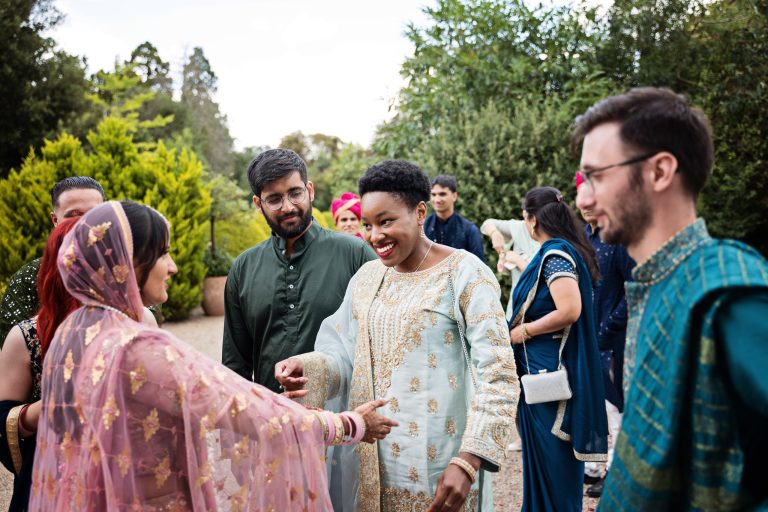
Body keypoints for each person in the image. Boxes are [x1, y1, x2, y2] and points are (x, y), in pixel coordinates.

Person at [28, 200, 397, 511]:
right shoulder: (137, 348)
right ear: (129, 263)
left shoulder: (73, 333)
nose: (173, 266)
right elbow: (242, 411)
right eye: (163, 253)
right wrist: (349, 425)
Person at [275, 160, 518, 512]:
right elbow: (346, 357)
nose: (375, 236)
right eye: (368, 225)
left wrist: (469, 459)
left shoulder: (464, 274)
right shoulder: (367, 278)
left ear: (419, 213)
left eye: (386, 221)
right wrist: (306, 367)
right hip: (372, 464)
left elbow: (498, 373)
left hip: (443, 467)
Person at [574, 87, 768, 510]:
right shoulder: (655, 283)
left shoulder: (728, 291)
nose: (582, 198)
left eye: (596, 176)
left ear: (660, 171)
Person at [223, 149, 376, 394]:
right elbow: (235, 367)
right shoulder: (243, 269)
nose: (288, 207)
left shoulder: (355, 254)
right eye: (274, 199)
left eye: (295, 193)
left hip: (343, 414)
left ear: (310, 190)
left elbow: (382, 345)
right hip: (273, 414)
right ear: (258, 204)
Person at [508, 186, 608, 511]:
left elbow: (569, 310)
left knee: (554, 464)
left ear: (532, 219)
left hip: (549, 377)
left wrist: (524, 331)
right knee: (545, 463)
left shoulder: (555, 256)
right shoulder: (558, 251)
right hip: (540, 370)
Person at [0, 218, 80, 511]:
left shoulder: (139, 323)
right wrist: (48, 407)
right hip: (49, 484)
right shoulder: (26, 336)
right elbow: (2, 422)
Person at [574, 171, 635, 498]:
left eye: (592, 194)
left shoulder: (619, 237)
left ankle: (616, 472)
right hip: (589, 337)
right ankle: (595, 467)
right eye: (580, 194)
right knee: (593, 403)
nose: (585, 203)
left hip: (614, 338)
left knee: (614, 407)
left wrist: (609, 327)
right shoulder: (583, 237)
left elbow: (631, 288)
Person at [0, 176, 105, 347]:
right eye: (74, 216)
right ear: (55, 220)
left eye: (94, 214)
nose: (84, 223)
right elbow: (9, 347)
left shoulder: (125, 271)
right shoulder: (28, 278)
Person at [480, 214, 540, 320]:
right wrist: (495, 233)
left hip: (538, 315)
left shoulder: (552, 239)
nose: (524, 219)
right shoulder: (519, 227)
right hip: (513, 312)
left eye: (527, 215)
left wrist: (519, 261)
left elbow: (540, 282)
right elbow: (487, 224)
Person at [424, 175, 486, 263]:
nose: (437, 199)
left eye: (442, 194)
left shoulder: (469, 230)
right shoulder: (423, 228)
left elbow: (478, 266)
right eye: (433, 195)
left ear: (454, 196)